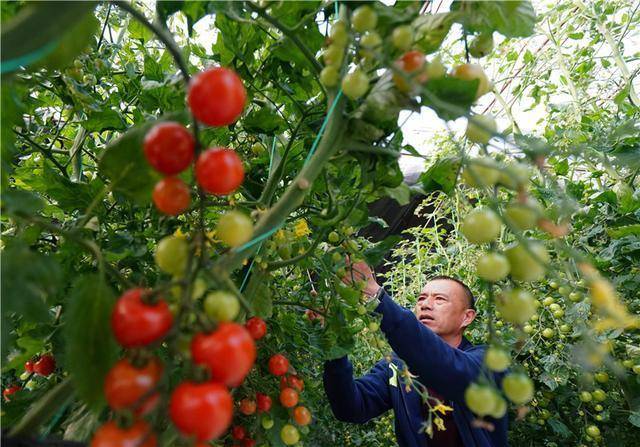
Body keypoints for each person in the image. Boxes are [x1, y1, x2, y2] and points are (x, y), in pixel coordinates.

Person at [323, 260, 508, 447]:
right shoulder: (395, 366)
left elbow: (446, 366)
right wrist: (336, 347)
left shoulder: (488, 362)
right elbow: (352, 408)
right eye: (421, 299)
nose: (425, 305)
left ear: (466, 317)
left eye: (439, 299)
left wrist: (376, 296)